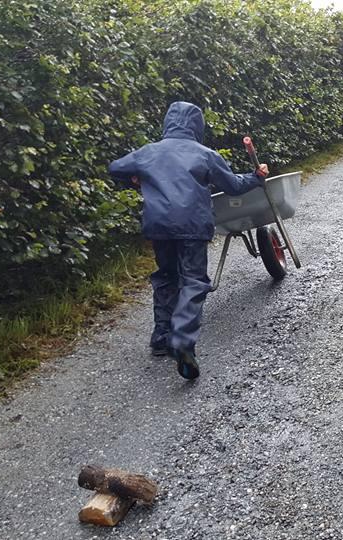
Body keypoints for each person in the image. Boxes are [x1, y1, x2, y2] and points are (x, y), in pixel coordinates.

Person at [109, 102, 268, 380]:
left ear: (168, 123)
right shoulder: (206, 154)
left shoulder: (148, 152)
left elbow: (115, 168)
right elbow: (232, 187)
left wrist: (135, 179)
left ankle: (161, 336)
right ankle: (181, 340)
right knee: (193, 280)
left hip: (158, 225)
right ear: (197, 126)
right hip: (192, 225)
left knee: (166, 276)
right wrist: (255, 178)